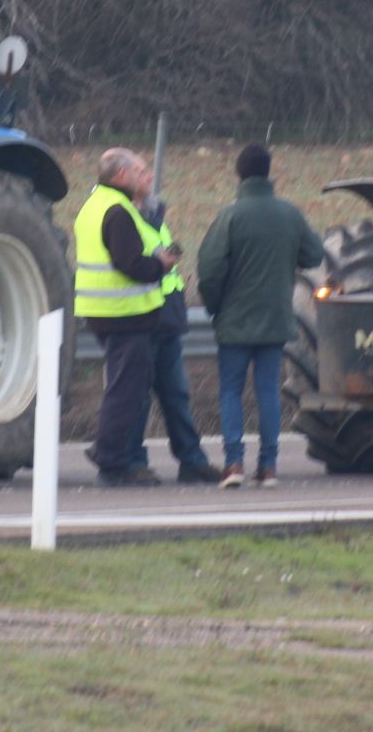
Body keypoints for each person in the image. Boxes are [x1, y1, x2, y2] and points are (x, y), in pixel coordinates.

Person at [196, 144, 325, 489]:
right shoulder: (289, 215)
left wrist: (214, 306)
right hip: (274, 319)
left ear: (239, 174)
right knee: (268, 391)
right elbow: (314, 256)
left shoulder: (230, 216)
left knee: (231, 392)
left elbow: (208, 270)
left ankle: (234, 464)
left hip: (234, 321)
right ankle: (268, 468)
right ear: (269, 172)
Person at [73, 147, 181, 487]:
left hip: (102, 312)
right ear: (121, 176)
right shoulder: (118, 211)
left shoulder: (93, 205)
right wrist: (160, 266)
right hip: (124, 314)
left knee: (124, 386)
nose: (145, 175)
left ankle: (111, 454)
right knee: (127, 391)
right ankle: (111, 457)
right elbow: (130, 264)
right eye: (139, 170)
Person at [132, 196, 225, 485]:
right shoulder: (126, 217)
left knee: (177, 396)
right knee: (136, 399)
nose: (148, 180)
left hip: (166, 318)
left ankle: (192, 461)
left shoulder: (155, 218)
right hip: (142, 318)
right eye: (141, 174)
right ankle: (134, 462)